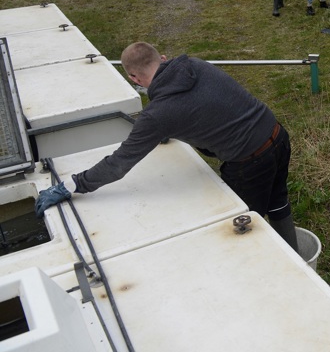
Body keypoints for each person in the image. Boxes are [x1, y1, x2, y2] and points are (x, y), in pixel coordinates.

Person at [34, 42, 300, 252]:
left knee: (243, 226)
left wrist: (71, 185)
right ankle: (296, 256)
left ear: (134, 78)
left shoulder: (157, 115)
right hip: (276, 134)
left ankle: (272, 273)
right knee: (277, 200)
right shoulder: (195, 65)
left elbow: (118, 164)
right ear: (162, 59)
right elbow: (209, 106)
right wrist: (166, 128)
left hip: (250, 162)